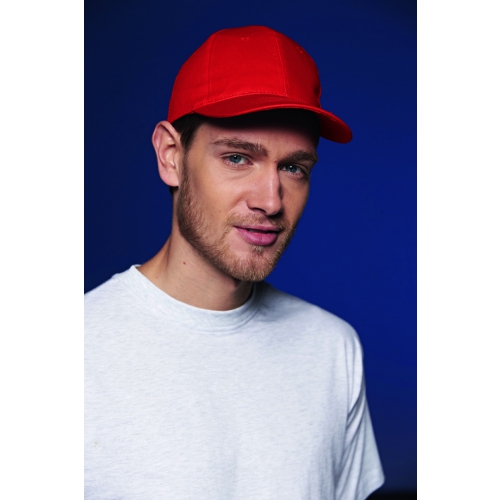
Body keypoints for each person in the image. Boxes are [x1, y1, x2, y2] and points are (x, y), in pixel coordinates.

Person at [85, 25, 384, 499]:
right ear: (171, 156)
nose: (271, 201)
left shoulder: (331, 349)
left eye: (293, 168)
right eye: (238, 158)